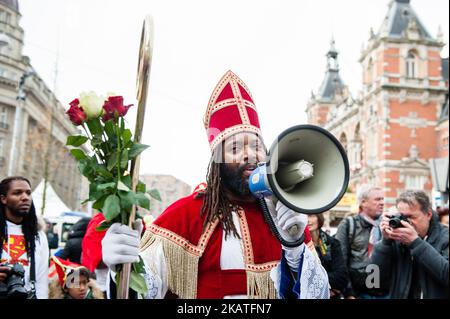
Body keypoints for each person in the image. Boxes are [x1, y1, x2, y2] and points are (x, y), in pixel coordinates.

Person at [100, 70, 329, 299]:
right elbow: (144, 291)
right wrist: (121, 268)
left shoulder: (283, 213)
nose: (250, 155)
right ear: (217, 163)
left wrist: (296, 247)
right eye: (235, 148)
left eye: (257, 146)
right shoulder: (185, 215)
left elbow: (318, 294)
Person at [371, 189, 449, 299]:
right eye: (402, 217)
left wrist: (416, 243)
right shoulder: (397, 239)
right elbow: (373, 283)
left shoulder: (445, 237)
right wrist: (385, 243)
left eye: (411, 217)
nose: (407, 223)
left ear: (428, 214)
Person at [334, 185, 388, 299]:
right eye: (377, 199)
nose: (382, 203)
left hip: (385, 292)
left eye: (383, 199)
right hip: (359, 292)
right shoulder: (348, 224)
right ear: (363, 203)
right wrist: (349, 292)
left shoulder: (386, 224)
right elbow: (341, 261)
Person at [0, 176, 49, 299]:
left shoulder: (38, 235)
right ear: (3, 199)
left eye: (28, 193)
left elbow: (41, 280)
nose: (25, 197)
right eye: (17, 193)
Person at [308, 213, 348, 299]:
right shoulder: (296, 246)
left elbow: (342, 277)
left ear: (319, 218)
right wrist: (327, 287)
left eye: (311, 215)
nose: (307, 220)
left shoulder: (332, 243)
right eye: (303, 216)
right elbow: (301, 279)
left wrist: (316, 281)